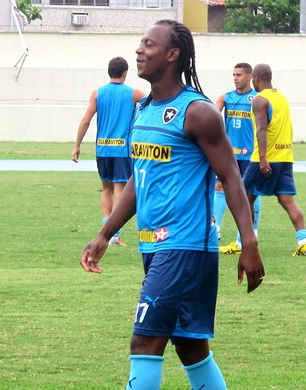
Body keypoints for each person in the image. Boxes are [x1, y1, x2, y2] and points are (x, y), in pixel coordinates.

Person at [79, 20, 265, 389]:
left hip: (185, 246)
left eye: (148, 44)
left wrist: (249, 241)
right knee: (190, 346)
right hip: (155, 245)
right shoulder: (145, 108)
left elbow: (230, 177)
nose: (139, 51)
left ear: (172, 54)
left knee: (144, 340)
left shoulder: (197, 112)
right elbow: (139, 179)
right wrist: (105, 233)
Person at [72, 56, 145, 246]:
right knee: (120, 189)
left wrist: (77, 146)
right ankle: (115, 233)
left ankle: (108, 228)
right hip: (121, 149)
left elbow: (86, 120)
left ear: (109, 72)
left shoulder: (97, 93)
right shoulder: (133, 93)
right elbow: (154, 102)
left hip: (102, 148)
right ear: (125, 73)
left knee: (106, 188)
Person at [243, 63, 306, 256]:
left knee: (244, 197)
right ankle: (303, 241)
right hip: (285, 157)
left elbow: (262, 129)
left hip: (265, 158)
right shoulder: (282, 98)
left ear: (256, 78)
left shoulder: (260, 100)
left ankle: (247, 241)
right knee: (287, 200)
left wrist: (263, 159)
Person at [214, 63, 262, 253]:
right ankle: (215, 230)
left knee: (250, 192)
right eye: (233, 74)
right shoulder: (226, 98)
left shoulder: (257, 99)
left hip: (250, 155)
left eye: (239, 75)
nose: (235, 78)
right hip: (229, 154)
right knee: (218, 186)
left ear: (249, 76)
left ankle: (250, 234)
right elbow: (212, 113)